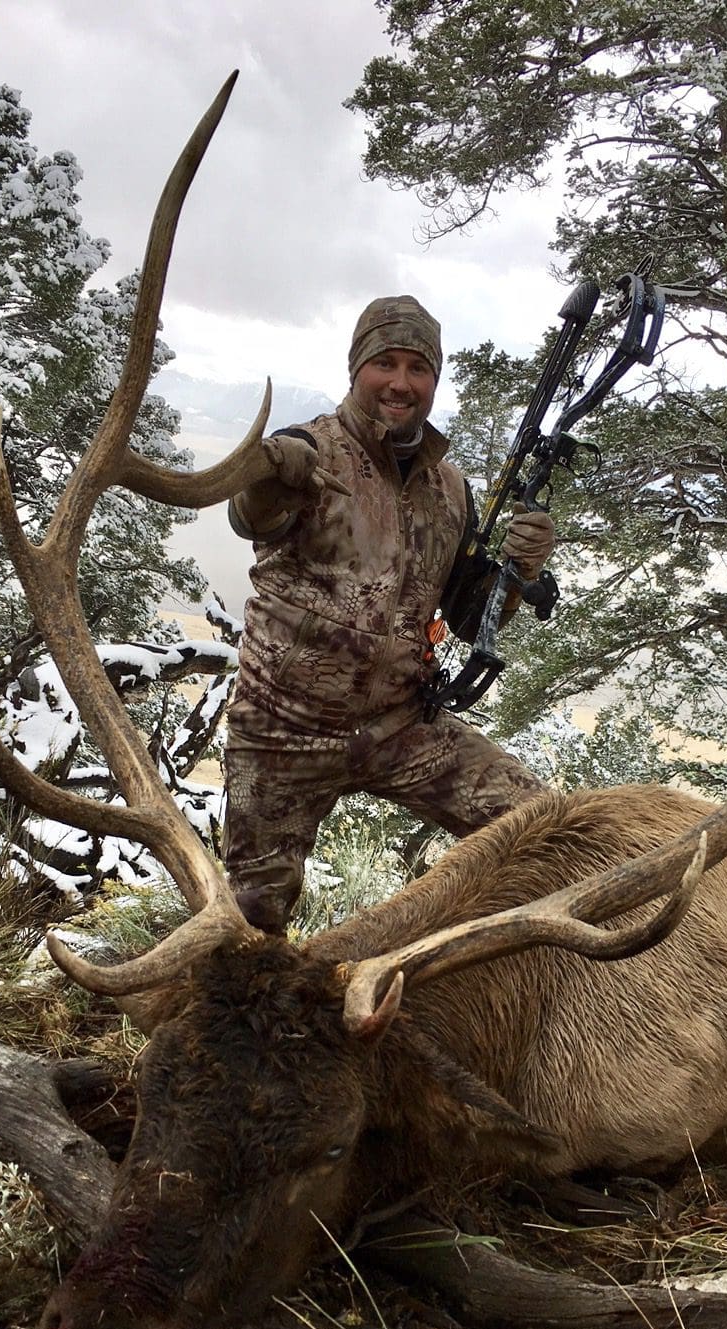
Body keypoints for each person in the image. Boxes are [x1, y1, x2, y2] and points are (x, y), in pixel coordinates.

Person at [221, 293, 556, 934]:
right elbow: (249, 516)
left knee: (541, 828)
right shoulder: (308, 452)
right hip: (283, 731)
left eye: (418, 368)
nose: (401, 383)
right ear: (357, 369)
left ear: (434, 380)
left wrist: (522, 571)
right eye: (386, 364)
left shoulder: (450, 489)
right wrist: (269, 476)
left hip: (402, 727)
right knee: (250, 920)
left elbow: (467, 613)